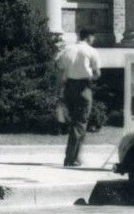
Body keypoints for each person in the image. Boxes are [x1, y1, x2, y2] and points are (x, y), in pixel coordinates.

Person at [57, 27, 100, 167]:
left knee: (77, 123)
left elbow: (59, 66)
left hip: (69, 86)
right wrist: (92, 77)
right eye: (93, 37)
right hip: (83, 87)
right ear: (89, 37)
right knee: (80, 123)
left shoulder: (68, 49)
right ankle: (70, 158)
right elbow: (97, 73)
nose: (94, 40)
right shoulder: (91, 51)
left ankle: (75, 157)